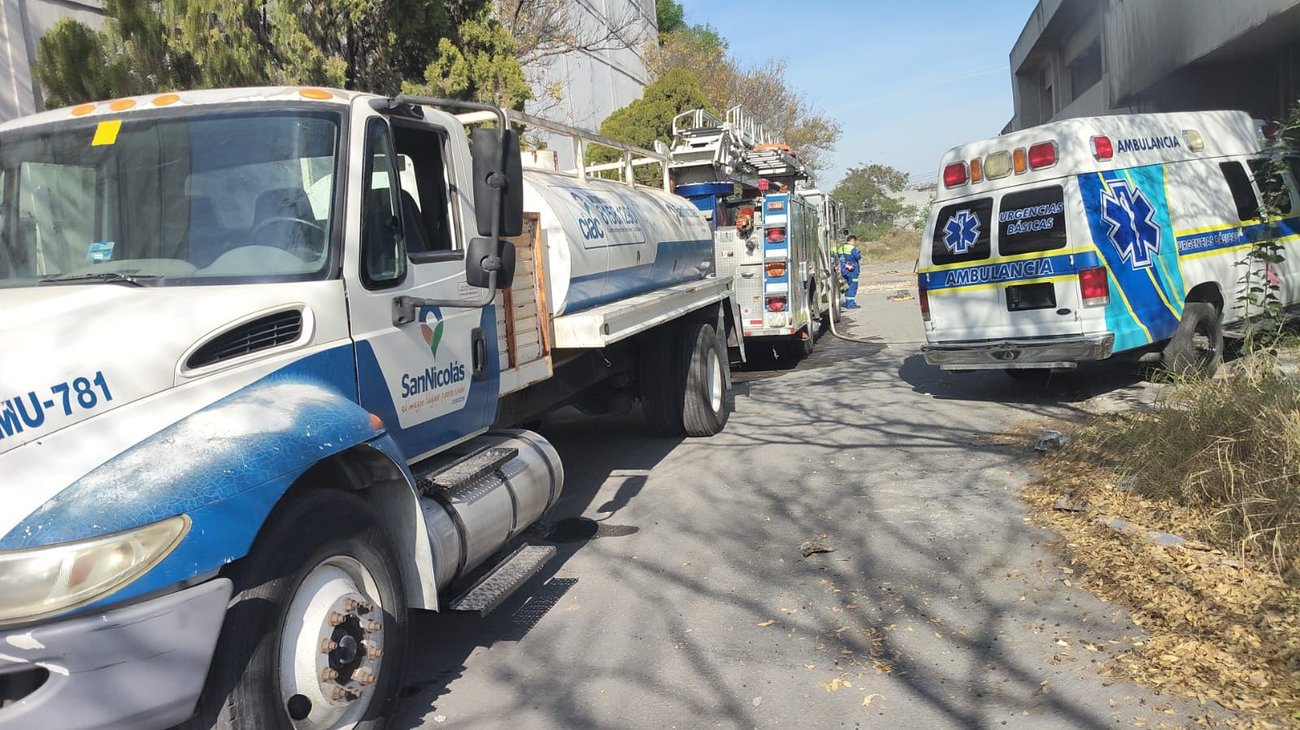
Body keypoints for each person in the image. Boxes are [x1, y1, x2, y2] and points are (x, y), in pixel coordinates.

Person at [834, 234, 862, 309]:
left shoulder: (841, 248)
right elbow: (858, 257)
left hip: (843, 269)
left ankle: (848, 302)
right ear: (852, 241)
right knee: (853, 286)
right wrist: (859, 253)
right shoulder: (852, 248)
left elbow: (838, 257)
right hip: (852, 270)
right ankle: (851, 304)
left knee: (846, 286)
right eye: (854, 242)